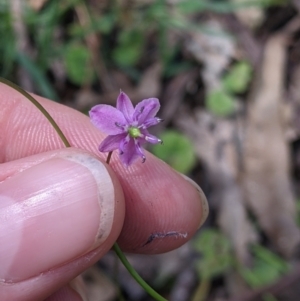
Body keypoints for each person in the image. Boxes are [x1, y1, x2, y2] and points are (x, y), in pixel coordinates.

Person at [0, 83, 209, 301]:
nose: (138, 132)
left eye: (140, 131)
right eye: (135, 131)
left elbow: (121, 147)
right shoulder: (107, 120)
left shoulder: (130, 143)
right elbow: (100, 123)